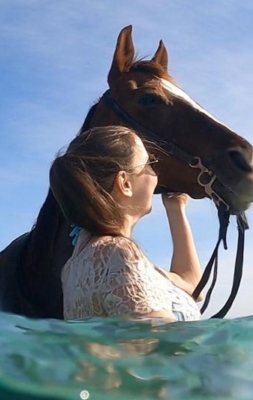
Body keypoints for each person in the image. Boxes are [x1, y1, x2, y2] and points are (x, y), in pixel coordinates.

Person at [49, 126, 202, 321]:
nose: (155, 175)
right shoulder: (119, 254)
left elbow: (192, 287)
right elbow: (161, 344)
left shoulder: (74, 266)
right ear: (125, 183)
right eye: (149, 164)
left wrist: (175, 208)